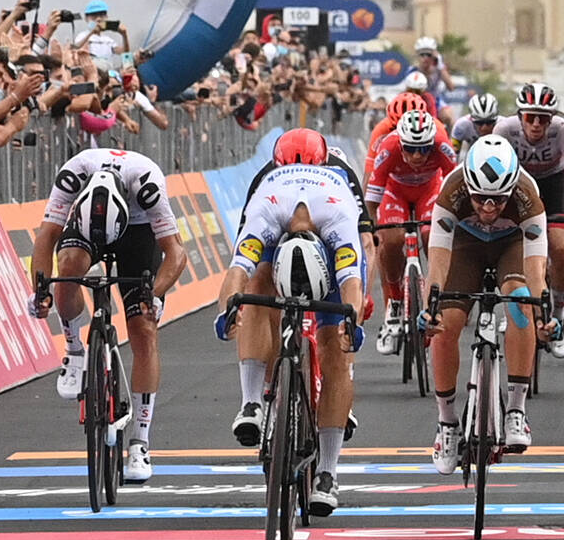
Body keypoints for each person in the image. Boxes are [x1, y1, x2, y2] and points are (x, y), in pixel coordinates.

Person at [214, 132, 368, 516]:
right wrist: (229, 309)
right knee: (257, 283)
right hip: (274, 231)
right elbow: (240, 270)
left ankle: (327, 471)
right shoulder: (267, 198)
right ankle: (252, 403)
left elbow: (351, 278)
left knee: (335, 344)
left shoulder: (337, 212)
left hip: (330, 247)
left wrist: (353, 318)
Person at [28, 149, 188, 483]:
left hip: (138, 231)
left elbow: (176, 252)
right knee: (68, 265)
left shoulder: (148, 184)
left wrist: (153, 294)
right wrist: (41, 291)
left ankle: (140, 443)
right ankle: (74, 350)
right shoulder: (74, 171)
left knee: (144, 328)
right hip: (86, 226)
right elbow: (46, 238)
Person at [421, 135, 551, 472]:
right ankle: (447, 422)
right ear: (469, 187)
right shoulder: (452, 190)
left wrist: (544, 314)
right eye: (481, 199)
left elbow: (536, 269)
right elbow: (436, 262)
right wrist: (428, 307)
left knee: (521, 302)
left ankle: (516, 411)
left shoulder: (527, 195)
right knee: (445, 322)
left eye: (497, 200)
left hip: (511, 245)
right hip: (466, 246)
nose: (489, 209)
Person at [494, 82, 564, 358]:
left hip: (552, 185)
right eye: (530, 117)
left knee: (558, 245)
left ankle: (557, 311)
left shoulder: (563, 130)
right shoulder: (504, 130)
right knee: (510, 246)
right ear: (520, 116)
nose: (536, 124)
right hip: (517, 186)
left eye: (543, 118)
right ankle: (511, 306)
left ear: (552, 118)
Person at [370, 110, 457, 355]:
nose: (417, 155)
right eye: (410, 149)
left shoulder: (443, 145)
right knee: (392, 239)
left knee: (432, 235)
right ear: (401, 143)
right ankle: (395, 301)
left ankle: (434, 294)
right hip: (395, 192)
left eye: (424, 149)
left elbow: (457, 184)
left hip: (429, 191)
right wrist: (370, 226)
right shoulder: (388, 147)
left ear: (433, 144)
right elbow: (373, 192)